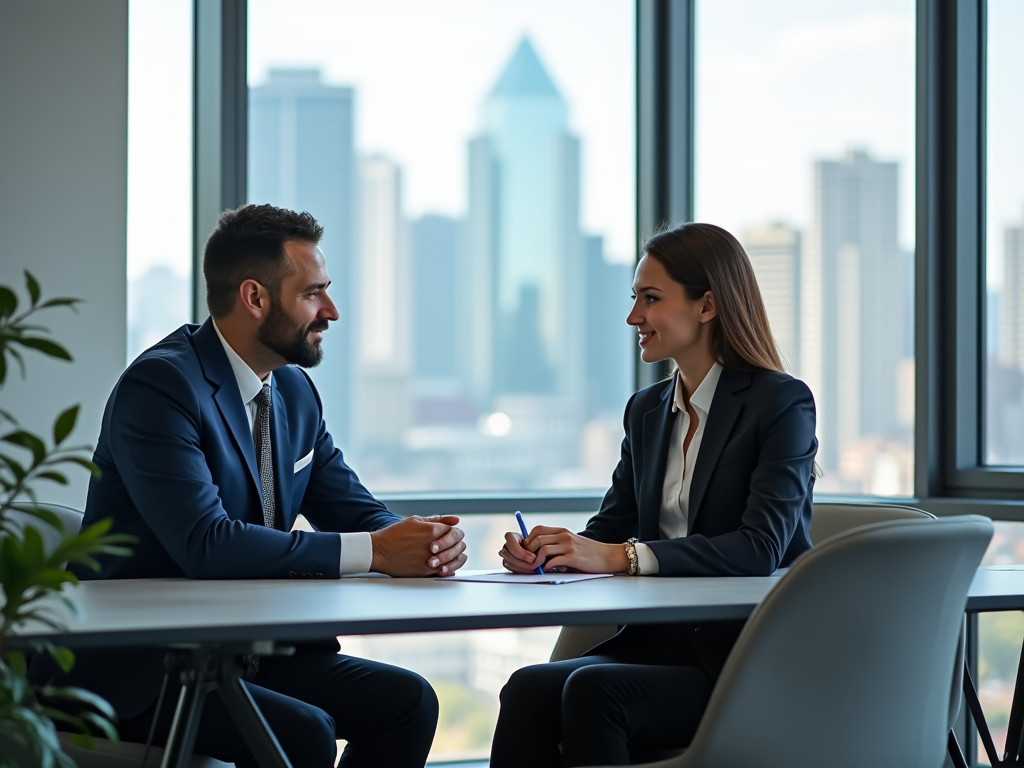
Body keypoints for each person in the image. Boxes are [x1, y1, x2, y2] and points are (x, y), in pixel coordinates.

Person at [34, 204, 468, 768]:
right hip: (140, 665)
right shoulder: (162, 386)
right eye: (313, 294)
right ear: (255, 298)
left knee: (407, 702)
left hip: (248, 651)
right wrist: (379, 551)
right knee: (302, 732)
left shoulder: (293, 392)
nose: (331, 311)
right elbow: (206, 543)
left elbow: (351, 506)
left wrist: (422, 540)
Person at [490, 223, 818, 767]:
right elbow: (613, 527)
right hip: (654, 646)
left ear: (707, 305)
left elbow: (759, 548)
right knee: (528, 688)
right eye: (634, 299)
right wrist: (553, 552)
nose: (633, 317)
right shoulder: (646, 410)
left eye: (651, 298)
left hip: (744, 657)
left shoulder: (779, 403)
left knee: (595, 694)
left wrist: (621, 556)